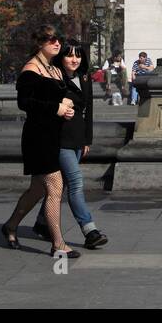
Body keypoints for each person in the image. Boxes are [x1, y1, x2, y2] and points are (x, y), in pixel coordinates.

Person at [1, 26, 79, 258]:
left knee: (37, 189)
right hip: (38, 137)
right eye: (51, 40)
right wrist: (56, 107)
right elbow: (24, 103)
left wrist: (67, 105)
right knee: (55, 186)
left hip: (54, 135)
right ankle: (58, 244)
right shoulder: (30, 70)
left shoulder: (54, 69)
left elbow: (64, 95)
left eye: (58, 39)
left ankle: (11, 225)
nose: (57, 43)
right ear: (39, 43)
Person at [32, 37, 108, 251]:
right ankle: (89, 230)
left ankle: (41, 223)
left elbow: (89, 110)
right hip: (58, 138)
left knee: (61, 183)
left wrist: (87, 139)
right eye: (69, 54)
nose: (74, 59)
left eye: (78, 54)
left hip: (76, 138)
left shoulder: (84, 77)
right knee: (75, 181)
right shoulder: (53, 77)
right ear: (61, 56)